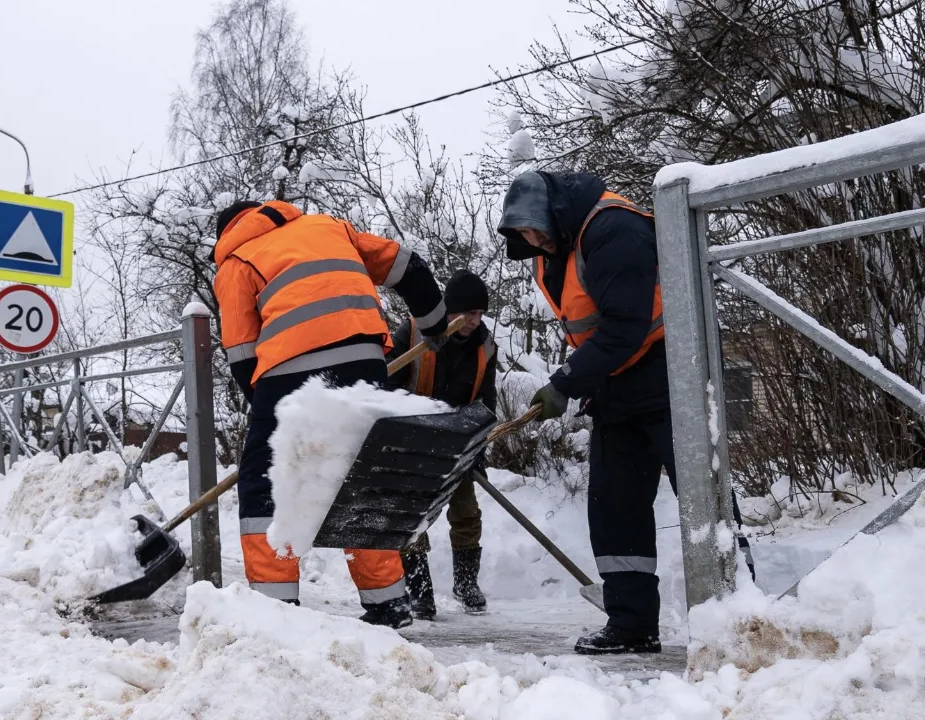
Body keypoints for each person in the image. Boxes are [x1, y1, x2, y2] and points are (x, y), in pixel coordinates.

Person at [496, 171, 755, 655]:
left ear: (553, 213)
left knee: (704, 498)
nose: (533, 242)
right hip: (615, 388)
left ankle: (742, 619)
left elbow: (625, 326)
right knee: (615, 509)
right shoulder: (556, 250)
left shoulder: (614, 228)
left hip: (668, 375)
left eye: (534, 230)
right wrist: (583, 381)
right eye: (524, 237)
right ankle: (632, 624)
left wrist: (566, 383)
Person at [213, 199, 449, 630]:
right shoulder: (329, 228)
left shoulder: (236, 260)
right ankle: (389, 602)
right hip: (365, 361)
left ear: (228, 231)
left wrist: (274, 420)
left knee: (267, 481)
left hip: (287, 370)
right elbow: (408, 267)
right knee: (362, 476)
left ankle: (274, 606)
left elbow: (243, 355)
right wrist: (434, 327)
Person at [386, 269, 498, 620]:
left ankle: (466, 583)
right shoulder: (413, 334)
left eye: (479, 314)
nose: (472, 321)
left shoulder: (485, 345)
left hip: (460, 437)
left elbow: (486, 399)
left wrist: (478, 443)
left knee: (466, 513)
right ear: (448, 311)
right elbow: (385, 384)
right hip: (415, 434)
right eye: (466, 313)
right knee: (413, 515)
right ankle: (420, 591)